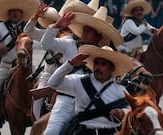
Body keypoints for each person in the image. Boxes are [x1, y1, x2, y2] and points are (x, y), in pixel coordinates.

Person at [41, 5, 123, 135]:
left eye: (88, 31)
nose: (83, 34)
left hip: (92, 102)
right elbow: (45, 44)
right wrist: (57, 26)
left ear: (98, 36)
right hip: (66, 101)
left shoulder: (103, 54)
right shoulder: (70, 43)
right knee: (52, 132)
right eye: (84, 30)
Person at [48, 45, 133, 135]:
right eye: (96, 63)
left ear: (111, 68)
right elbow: (53, 83)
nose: (98, 67)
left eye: (103, 64)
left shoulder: (120, 90)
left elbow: (131, 109)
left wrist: (122, 112)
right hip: (84, 132)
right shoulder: (79, 81)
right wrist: (69, 64)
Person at [0, 0, 39, 128]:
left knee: (42, 86)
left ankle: (40, 112)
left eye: (17, 11)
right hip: (7, 65)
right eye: (12, 11)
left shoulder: (28, 28)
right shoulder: (1, 27)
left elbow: (39, 42)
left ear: (21, 13)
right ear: (8, 13)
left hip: (26, 67)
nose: (14, 14)